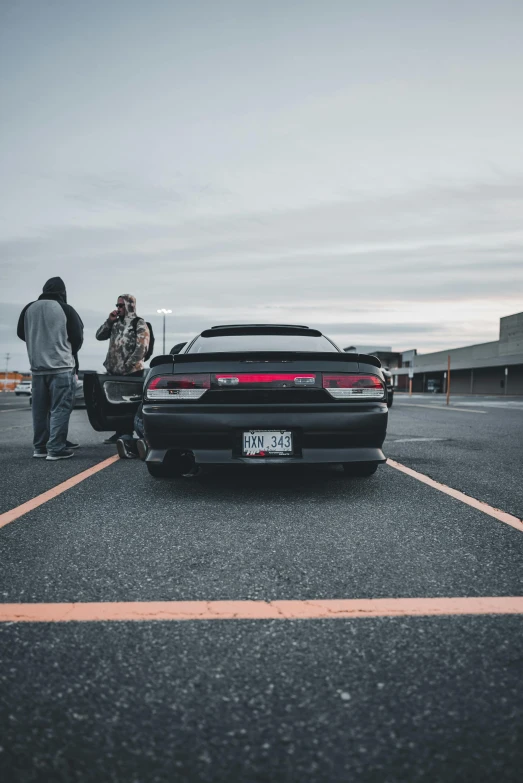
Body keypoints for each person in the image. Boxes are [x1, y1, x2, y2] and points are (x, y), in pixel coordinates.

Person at [17, 277, 83, 460]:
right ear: (63, 292)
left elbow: (20, 332)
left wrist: (39, 342)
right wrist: (65, 349)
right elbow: (77, 337)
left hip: (37, 368)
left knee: (39, 410)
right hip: (61, 366)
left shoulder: (29, 308)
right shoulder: (66, 309)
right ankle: (55, 448)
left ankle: (40, 447)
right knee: (60, 408)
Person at [96, 294, 150, 447]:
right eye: (117, 305)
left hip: (131, 371)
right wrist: (109, 321)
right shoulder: (115, 323)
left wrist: (128, 365)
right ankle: (119, 433)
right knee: (115, 404)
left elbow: (142, 348)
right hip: (114, 371)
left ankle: (128, 434)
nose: (117, 308)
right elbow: (99, 336)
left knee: (129, 404)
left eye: (121, 305)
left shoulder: (139, 323)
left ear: (129, 305)